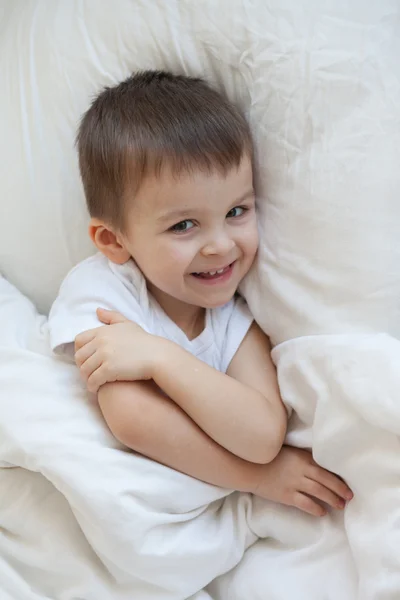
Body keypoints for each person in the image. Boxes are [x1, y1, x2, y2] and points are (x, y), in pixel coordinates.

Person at [48, 70, 352, 516]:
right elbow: (130, 417)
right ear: (114, 241)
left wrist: (160, 358)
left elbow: (265, 435)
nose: (222, 245)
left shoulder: (232, 319)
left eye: (236, 211)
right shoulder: (103, 292)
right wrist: (258, 479)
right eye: (183, 225)